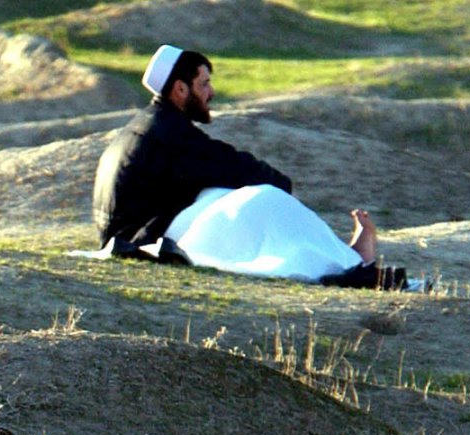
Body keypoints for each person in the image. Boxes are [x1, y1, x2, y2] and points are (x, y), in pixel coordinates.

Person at [91, 44, 406, 290]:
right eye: (203, 84)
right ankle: (348, 263)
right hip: (141, 237)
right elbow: (236, 168)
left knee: (229, 196)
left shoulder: (152, 126)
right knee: (264, 200)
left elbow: (222, 164)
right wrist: (278, 185)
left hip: (138, 229)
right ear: (180, 90)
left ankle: (344, 258)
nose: (211, 92)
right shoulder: (170, 134)